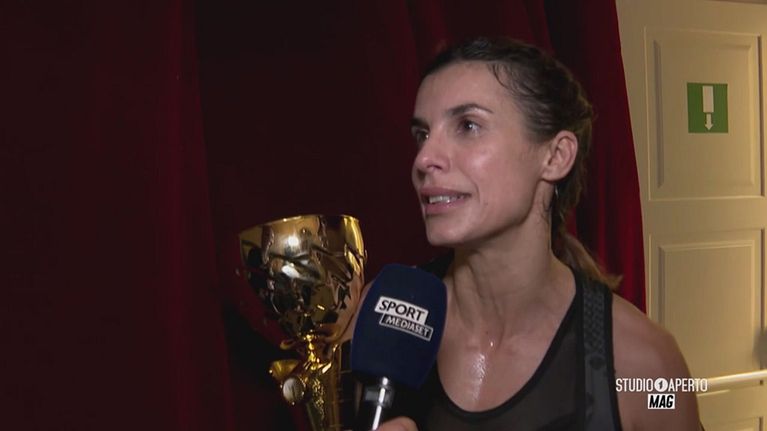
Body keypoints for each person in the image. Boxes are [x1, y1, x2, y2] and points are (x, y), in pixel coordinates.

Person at [376, 37, 702, 430]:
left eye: (468, 126)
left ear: (556, 156)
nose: (424, 158)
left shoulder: (648, 368)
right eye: (422, 134)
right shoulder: (385, 315)